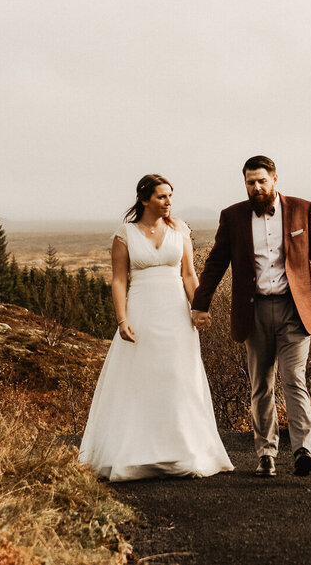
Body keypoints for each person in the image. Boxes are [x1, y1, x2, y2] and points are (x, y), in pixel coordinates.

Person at [192, 155, 311, 478]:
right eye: (250, 182)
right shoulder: (232, 218)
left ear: (275, 179)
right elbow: (215, 263)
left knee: (294, 379)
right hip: (254, 310)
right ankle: (266, 454)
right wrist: (200, 303)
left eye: (261, 180)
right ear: (245, 183)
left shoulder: (303, 209)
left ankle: (302, 449)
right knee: (261, 384)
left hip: (294, 311)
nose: (256, 187)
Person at [78, 174, 234, 481]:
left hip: (176, 313)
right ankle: (136, 453)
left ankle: (184, 452)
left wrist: (199, 307)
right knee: (141, 377)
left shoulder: (180, 230)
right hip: (142, 311)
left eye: (170, 197)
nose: (168, 202)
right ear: (144, 199)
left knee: (179, 376)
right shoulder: (125, 234)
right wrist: (122, 319)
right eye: (162, 197)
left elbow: (189, 274)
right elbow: (119, 279)